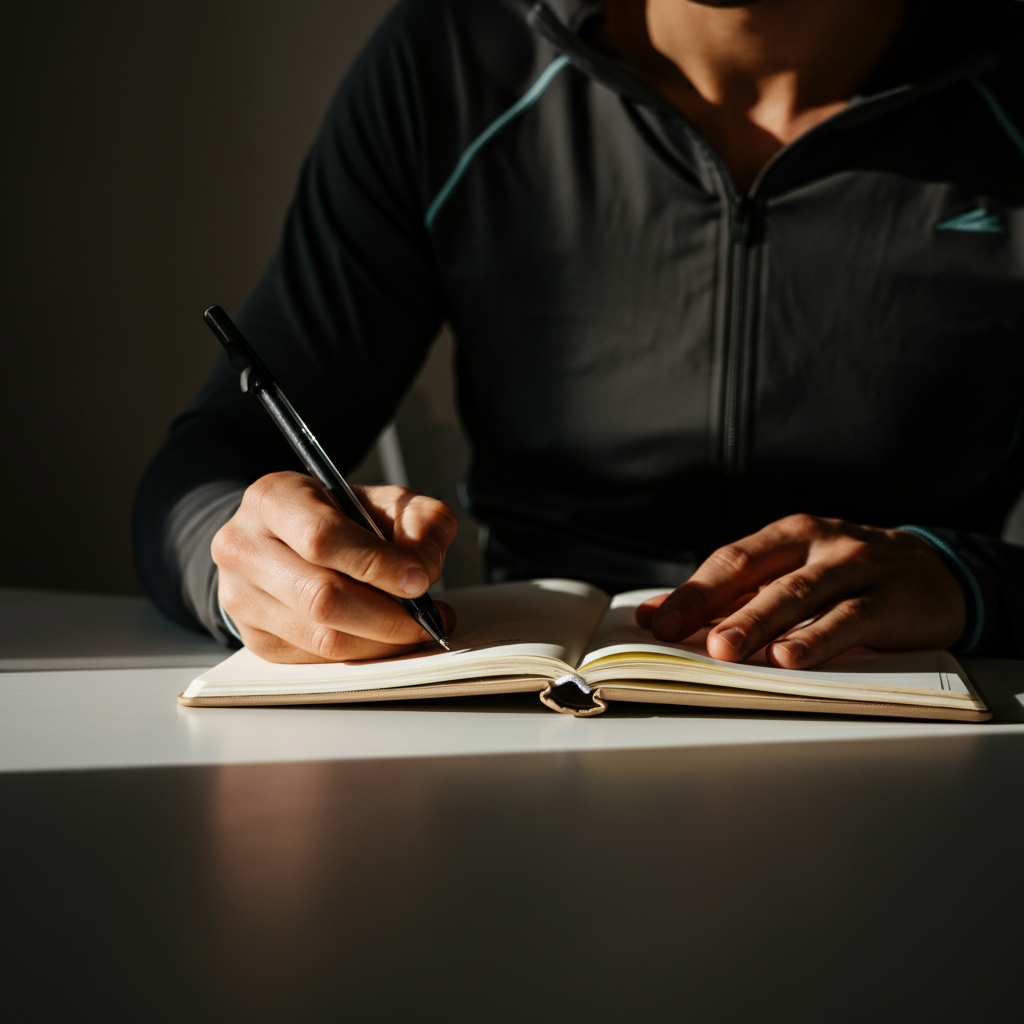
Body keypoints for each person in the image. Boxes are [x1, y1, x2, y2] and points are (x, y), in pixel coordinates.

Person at [134, 0, 1024, 667]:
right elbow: (210, 462)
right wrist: (252, 562)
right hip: (531, 704)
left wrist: (968, 583)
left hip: (918, 710)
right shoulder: (457, 58)